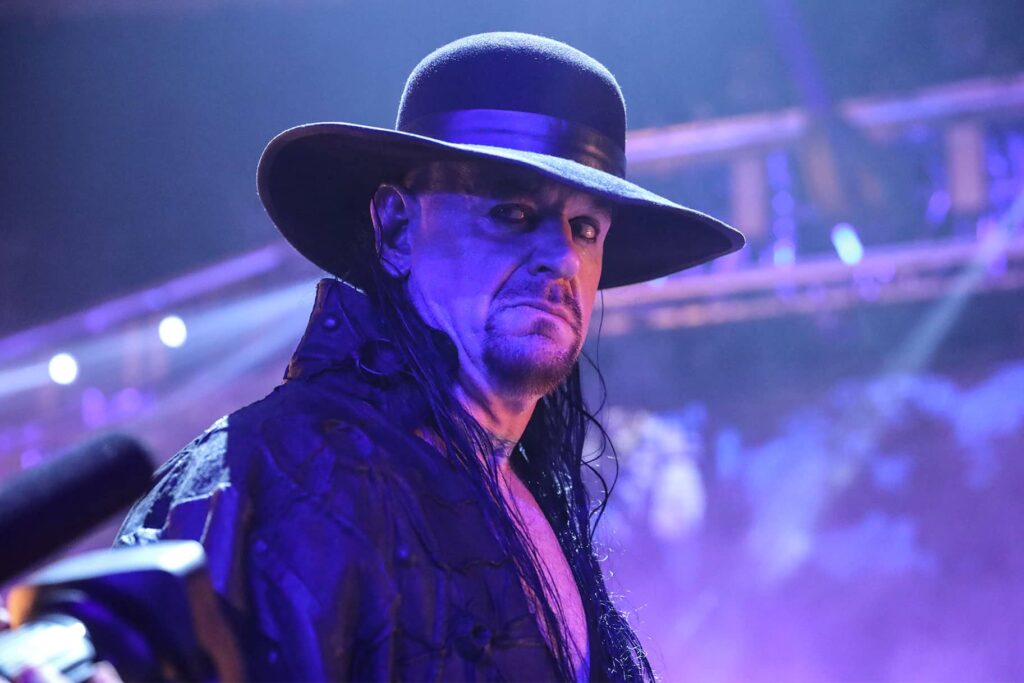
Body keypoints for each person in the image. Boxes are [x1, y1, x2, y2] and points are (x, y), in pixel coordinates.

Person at [116, 32, 744, 681]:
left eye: (585, 229)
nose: (562, 257)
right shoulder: (274, 472)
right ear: (394, 228)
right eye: (514, 212)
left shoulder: (524, 500)